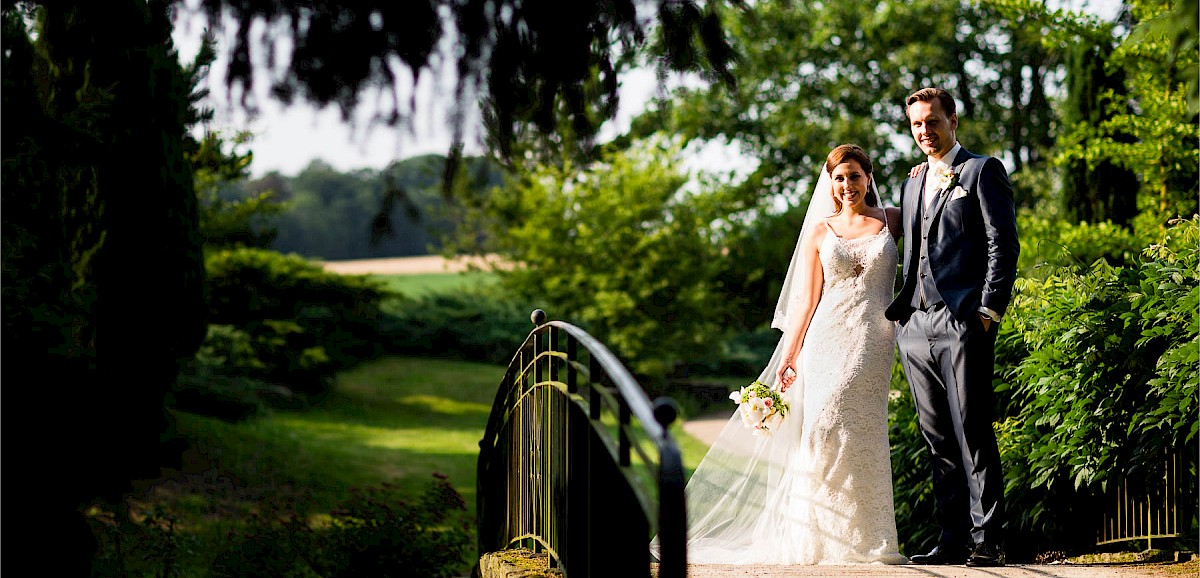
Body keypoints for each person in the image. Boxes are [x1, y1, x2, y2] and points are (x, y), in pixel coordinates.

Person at [651, 144, 908, 565]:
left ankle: (868, 538)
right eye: (839, 178)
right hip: (825, 338)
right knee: (820, 427)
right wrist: (789, 354)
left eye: (855, 176)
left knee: (861, 429)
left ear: (869, 177)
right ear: (830, 183)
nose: (847, 186)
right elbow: (806, 301)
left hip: (873, 338)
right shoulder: (821, 231)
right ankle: (818, 538)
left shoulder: (892, 220)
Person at [884, 87, 1020, 568]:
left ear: (953, 119)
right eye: (916, 123)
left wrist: (988, 311)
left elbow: (1003, 244)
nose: (924, 131)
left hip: (962, 320)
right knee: (936, 435)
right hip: (915, 323)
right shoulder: (912, 180)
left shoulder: (983, 171)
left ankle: (990, 540)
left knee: (973, 430)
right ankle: (952, 539)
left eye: (932, 121)